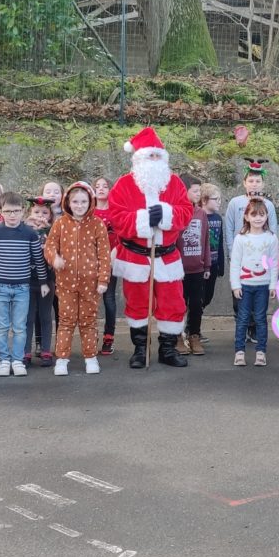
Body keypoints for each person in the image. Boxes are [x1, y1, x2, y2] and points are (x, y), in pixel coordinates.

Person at [108, 126, 193, 368]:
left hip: (166, 256)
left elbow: (186, 213)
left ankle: (167, 350)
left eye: (158, 156)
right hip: (136, 257)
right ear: (139, 158)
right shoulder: (124, 185)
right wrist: (144, 219)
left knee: (173, 303)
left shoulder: (174, 183)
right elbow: (117, 218)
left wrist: (166, 214)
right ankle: (139, 350)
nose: (154, 160)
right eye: (149, 156)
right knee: (137, 304)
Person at [44, 182, 111, 376]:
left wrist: (103, 280)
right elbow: (49, 247)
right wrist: (54, 258)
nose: (79, 205)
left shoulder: (97, 224)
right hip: (65, 283)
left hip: (91, 283)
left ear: (90, 202)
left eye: (83, 201)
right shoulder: (60, 223)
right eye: (75, 201)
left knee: (88, 321)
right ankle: (62, 359)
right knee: (66, 321)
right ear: (68, 202)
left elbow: (104, 255)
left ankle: (90, 357)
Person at [0, 192, 48, 377]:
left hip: (22, 288)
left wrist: (43, 282)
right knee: (2, 326)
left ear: (23, 211)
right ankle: (4, 360)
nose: (12, 215)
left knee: (19, 326)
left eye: (16, 211)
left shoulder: (29, 233)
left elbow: (37, 259)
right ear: (0, 211)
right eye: (8, 211)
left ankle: (17, 360)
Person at [230, 198, 279, 367]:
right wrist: (235, 285)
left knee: (260, 318)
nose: (258, 218)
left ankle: (261, 352)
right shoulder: (241, 239)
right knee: (242, 318)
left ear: (267, 216)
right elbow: (235, 263)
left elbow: (274, 262)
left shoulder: (271, 238)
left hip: (263, 285)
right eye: (254, 215)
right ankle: (239, 352)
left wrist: (273, 284)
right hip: (245, 285)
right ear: (246, 216)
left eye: (262, 214)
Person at [179, 183, 214, 356]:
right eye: (195, 191)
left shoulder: (201, 214)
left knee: (196, 305)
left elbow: (206, 240)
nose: (198, 194)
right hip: (178, 270)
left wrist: (206, 264)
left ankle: (194, 336)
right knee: (179, 305)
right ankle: (178, 337)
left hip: (198, 269)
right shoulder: (176, 211)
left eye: (200, 191)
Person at [24, 199, 56, 366]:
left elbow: (60, 247)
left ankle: (45, 350)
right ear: (30, 213)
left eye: (44, 213)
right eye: (36, 212)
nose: (40, 216)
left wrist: (49, 232)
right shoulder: (23, 230)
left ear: (50, 215)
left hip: (47, 280)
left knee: (45, 316)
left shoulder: (53, 231)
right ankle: (26, 352)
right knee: (28, 318)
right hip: (27, 281)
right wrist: (25, 224)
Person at [92, 176, 119, 355]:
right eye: (97, 186)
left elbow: (120, 237)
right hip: (90, 262)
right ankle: (90, 335)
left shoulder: (115, 212)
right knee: (91, 301)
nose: (101, 189)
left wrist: (110, 258)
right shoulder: (89, 212)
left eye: (105, 186)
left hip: (111, 260)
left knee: (109, 299)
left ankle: (109, 337)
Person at [200, 182, 226, 345]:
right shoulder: (198, 217)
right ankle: (192, 328)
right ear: (204, 200)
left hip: (214, 263)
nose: (219, 202)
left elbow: (220, 242)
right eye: (216, 199)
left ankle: (194, 323)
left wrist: (221, 264)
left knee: (208, 297)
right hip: (201, 265)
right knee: (198, 298)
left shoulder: (218, 218)